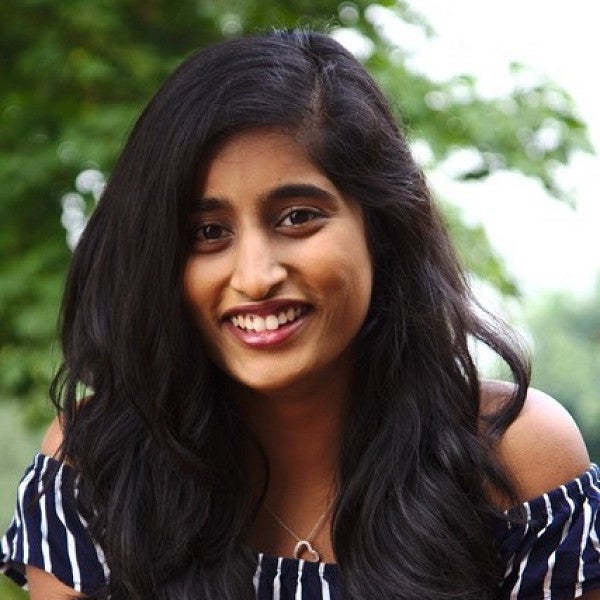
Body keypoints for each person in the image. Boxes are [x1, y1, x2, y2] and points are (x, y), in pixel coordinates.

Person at [1, 29, 599, 600]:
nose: (256, 276)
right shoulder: (99, 468)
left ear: (380, 228)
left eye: (297, 217)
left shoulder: (512, 457)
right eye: (208, 232)